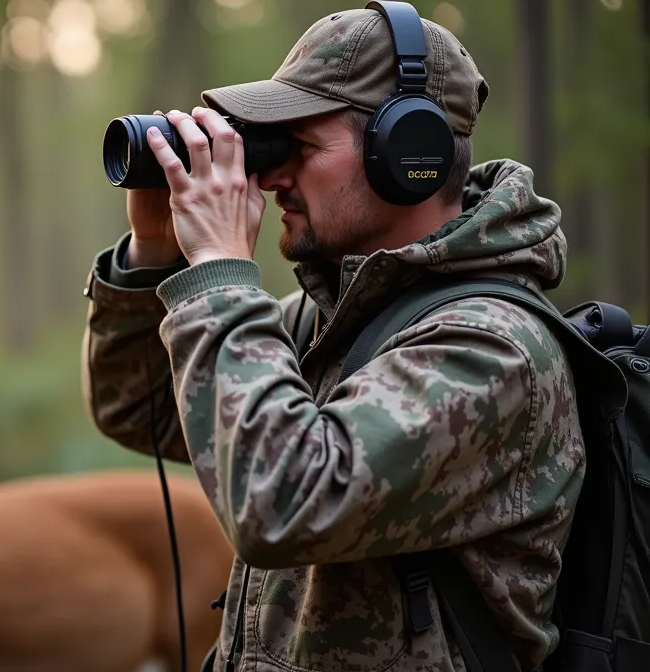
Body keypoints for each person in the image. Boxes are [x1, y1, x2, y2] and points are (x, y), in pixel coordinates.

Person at [81, 4, 583, 672]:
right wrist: (156, 253)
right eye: (268, 146)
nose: (271, 175)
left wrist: (220, 274)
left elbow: (281, 504)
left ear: (410, 155)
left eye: (300, 148)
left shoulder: (495, 350)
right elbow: (139, 408)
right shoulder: (328, 324)